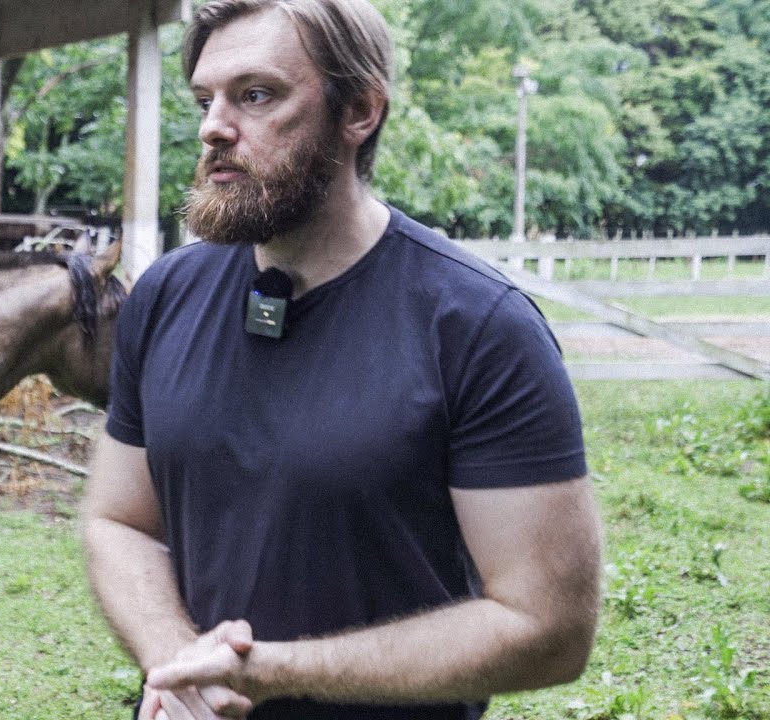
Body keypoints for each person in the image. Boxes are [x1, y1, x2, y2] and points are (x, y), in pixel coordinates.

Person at [78, 1, 603, 719]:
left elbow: (548, 628)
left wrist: (272, 672)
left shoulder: (479, 326)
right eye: (206, 99)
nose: (212, 128)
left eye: (255, 95)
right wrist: (178, 660)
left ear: (359, 110)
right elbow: (119, 520)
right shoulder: (166, 295)